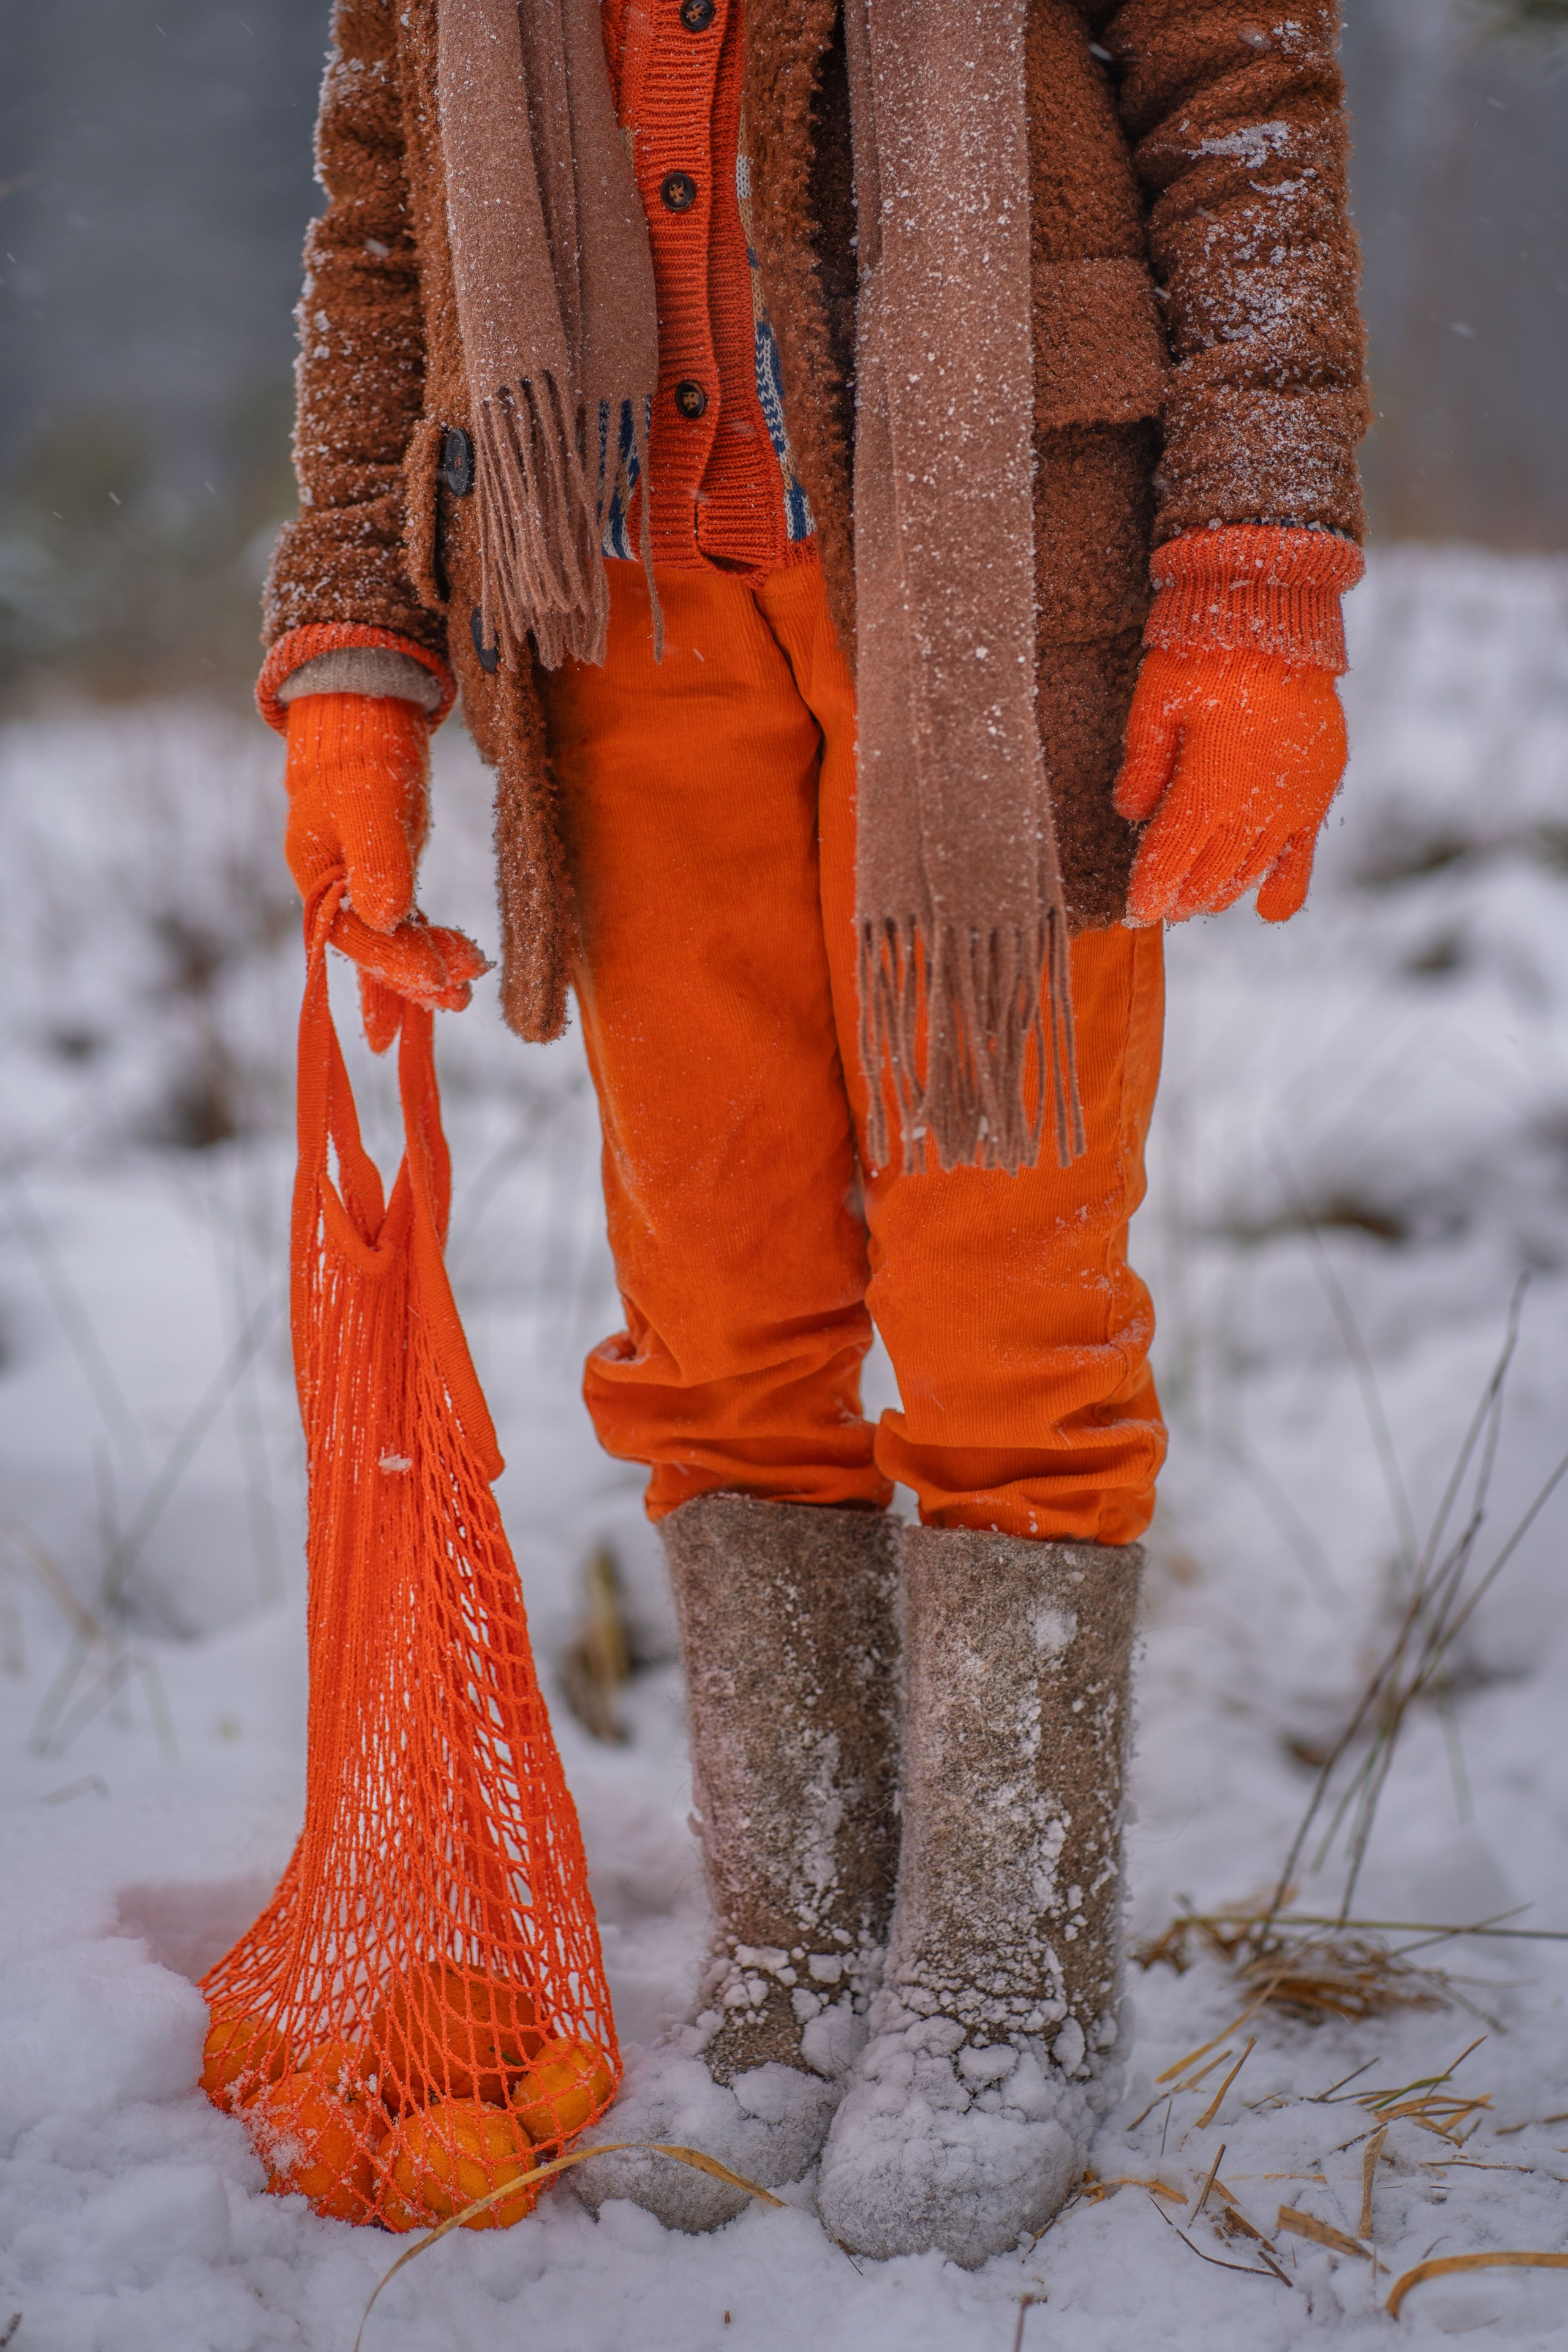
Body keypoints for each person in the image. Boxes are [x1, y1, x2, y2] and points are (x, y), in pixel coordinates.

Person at [259, 0, 1366, 2264]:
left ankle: (1001, 1987)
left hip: (990, 568)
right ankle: (797, 1966)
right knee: (720, 1304)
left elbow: (1242, 106)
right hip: (615, 599)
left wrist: (1256, 579)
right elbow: (390, 201)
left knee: (1004, 1302)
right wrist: (355, 657)